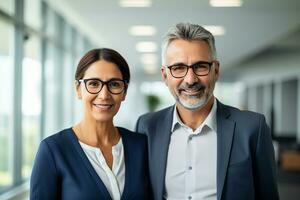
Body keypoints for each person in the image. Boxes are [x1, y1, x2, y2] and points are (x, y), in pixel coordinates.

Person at [135, 23, 279, 200]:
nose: (190, 79)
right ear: (165, 75)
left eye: (200, 66)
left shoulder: (252, 128)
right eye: (178, 68)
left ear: (216, 70)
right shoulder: (147, 127)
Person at [30, 48, 151, 200]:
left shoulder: (140, 146)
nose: (104, 95)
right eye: (94, 84)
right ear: (78, 89)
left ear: (124, 92)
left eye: (114, 84)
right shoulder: (53, 150)